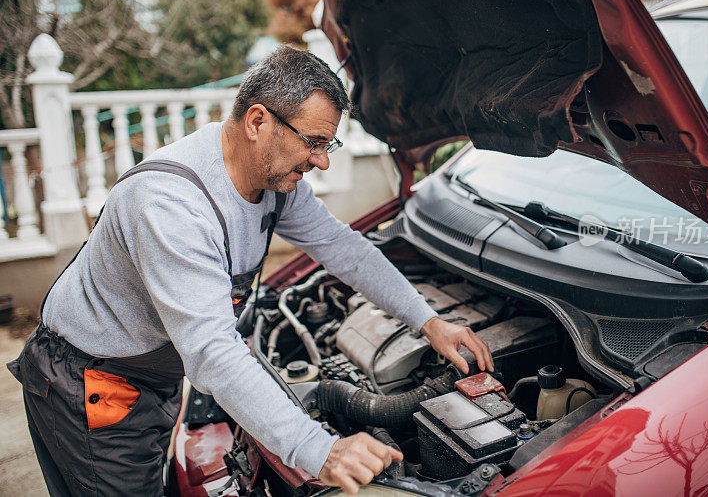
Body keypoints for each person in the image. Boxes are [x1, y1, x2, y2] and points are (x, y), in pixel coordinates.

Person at [8, 45, 493, 496]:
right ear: (258, 121)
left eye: (330, 145)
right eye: (313, 142)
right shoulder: (170, 204)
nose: (322, 162)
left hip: (151, 373)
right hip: (93, 386)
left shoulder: (275, 182)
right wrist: (318, 448)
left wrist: (427, 321)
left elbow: (345, 248)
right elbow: (213, 353)